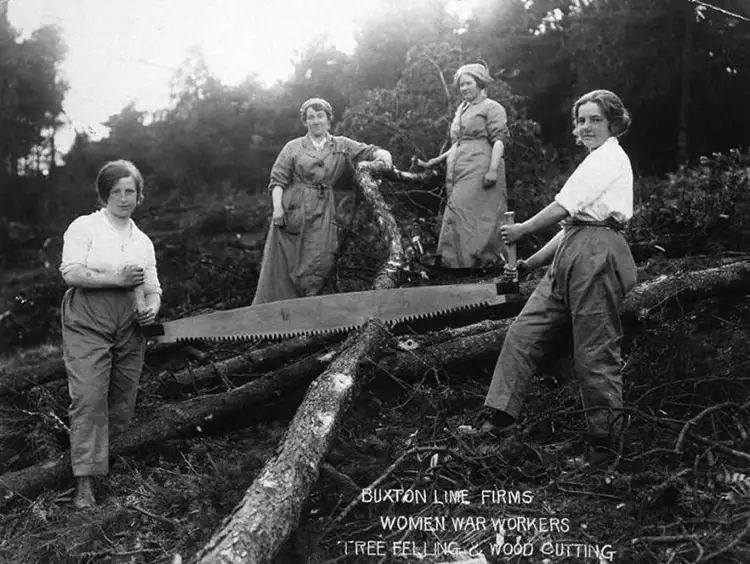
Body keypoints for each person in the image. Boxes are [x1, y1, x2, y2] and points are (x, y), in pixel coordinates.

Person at [481, 89, 638, 467]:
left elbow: (564, 209)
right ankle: (498, 422)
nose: (586, 127)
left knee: (595, 352)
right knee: (523, 333)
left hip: (598, 252)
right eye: (581, 120)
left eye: (595, 120)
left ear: (612, 123)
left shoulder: (610, 158)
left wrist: (522, 230)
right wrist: (530, 263)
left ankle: (603, 447)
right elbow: (571, 224)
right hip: (574, 249)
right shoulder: (592, 161)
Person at [59, 159, 161, 509]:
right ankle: (84, 484)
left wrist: (152, 310)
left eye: (129, 191)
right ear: (104, 195)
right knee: (88, 396)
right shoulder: (85, 227)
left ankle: (109, 471)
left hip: (130, 324)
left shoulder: (143, 241)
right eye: (115, 191)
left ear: (138, 195)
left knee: (121, 401)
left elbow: (153, 287)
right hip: (88, 317)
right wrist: (115, 279)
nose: (123, 198)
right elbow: (71, 273)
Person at [252, 97, 394, 304]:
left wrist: (385, 159)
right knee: (286, 263)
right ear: (305, 121)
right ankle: (280, 312)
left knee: (322, 258)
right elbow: (277, 181)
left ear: (328, 119)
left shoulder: (341, 145)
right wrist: (277, 209)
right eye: (310, 117)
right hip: (293, 210)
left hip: (325, 209)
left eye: (320, 116)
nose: (316, 121)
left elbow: (370, 151)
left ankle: (313, 306)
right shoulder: (293, 147)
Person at [424, 62, 510, 271]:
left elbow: (499, 140)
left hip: (482, 164)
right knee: (459, 212)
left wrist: (492, 169)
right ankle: (456, 265)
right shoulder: (462, 109)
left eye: (468, 83)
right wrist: (435, 161)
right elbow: (458, 143)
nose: (464, 88)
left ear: (480, 83)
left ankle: (482, 262)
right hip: (459, 167)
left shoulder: (492, 107)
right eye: (461, 85)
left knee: (477, 215)